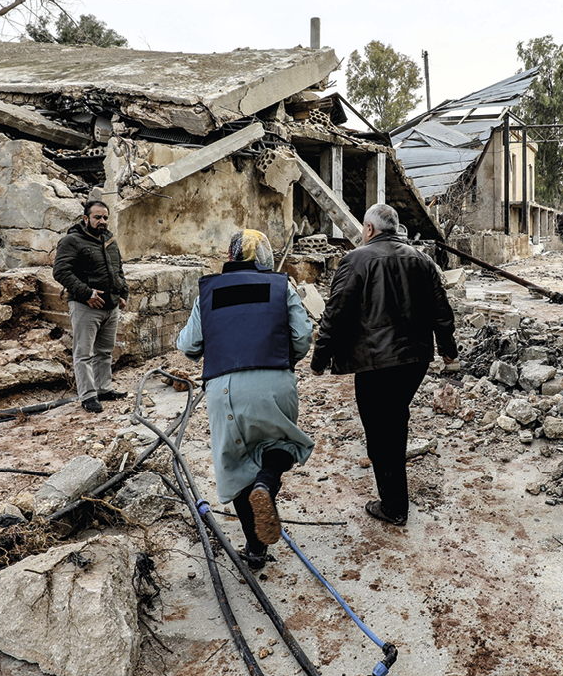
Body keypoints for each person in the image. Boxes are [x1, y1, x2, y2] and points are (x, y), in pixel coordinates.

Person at [311, 203, 457, 527]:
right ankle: (394, 498)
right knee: (394, 419)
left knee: (379, 430)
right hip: (414, 360)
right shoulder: (423, 260)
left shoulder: (355, 261)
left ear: (369, 229)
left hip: (375, 362)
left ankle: (393, 506)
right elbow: (442, 310)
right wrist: (448, 349)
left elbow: (335, 313)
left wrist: (319, 358)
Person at [178, 230, 314, 569]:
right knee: (282, 441)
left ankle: (255, 551)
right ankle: (266, 483)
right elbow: (302, 337)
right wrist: (281, 359)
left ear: (230, 255)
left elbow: (188, 346)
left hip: (223, 389)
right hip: (273, 380)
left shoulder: (208, 291)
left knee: (237, 466)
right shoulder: (281, 286)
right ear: (264, 257)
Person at [53, 199, 129, 413]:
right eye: (97, 217)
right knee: (84, 353)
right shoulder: (72, 241)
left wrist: (123, 292)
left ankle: (104, 389)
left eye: (105, 217)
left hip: (110, 307)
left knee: (104, 351)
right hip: (85, 306)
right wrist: (87, 293)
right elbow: (60, 272)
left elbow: (118, 269)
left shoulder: (109, 240)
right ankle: (88, 396)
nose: (102, 221)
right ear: (85, 218)